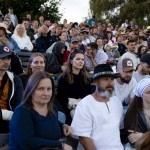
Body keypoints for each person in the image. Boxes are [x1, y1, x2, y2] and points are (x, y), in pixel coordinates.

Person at [9, 71, 73, 150]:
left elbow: (47, 123)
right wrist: (60, 145)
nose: (46, 93)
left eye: (49, 89)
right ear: (31, 90)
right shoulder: (22, 112)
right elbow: (28, 142)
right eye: (41, 89)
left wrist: (63, 126)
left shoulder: (52, 108)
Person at [71, 64, 123, 150]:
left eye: (112, 79)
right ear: (95, 82)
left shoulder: (116, 102)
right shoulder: (85, 104)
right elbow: (84, 138)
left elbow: (118, 129)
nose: (110, 83)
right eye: (105, 79)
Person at [57, 49, 91, 124]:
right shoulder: (63, 78)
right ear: (71, 61)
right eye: (78, 59)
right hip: (71, 109)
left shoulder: (85, 77)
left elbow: (89, 96)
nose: (81, 61)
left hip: (85, 107)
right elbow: (63, 99)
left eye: (82, 59)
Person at [0, 44, 23, 149]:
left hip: (10, 121)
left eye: (8, 58)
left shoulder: (15, 79)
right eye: (2, 58)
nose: (6, 61)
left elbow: (19, 104)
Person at [123, 78, 150, 149]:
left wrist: (142, 136)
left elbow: (139, 138)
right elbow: (133, 139)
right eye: (149, 92)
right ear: (141, 94)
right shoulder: (133, 113)